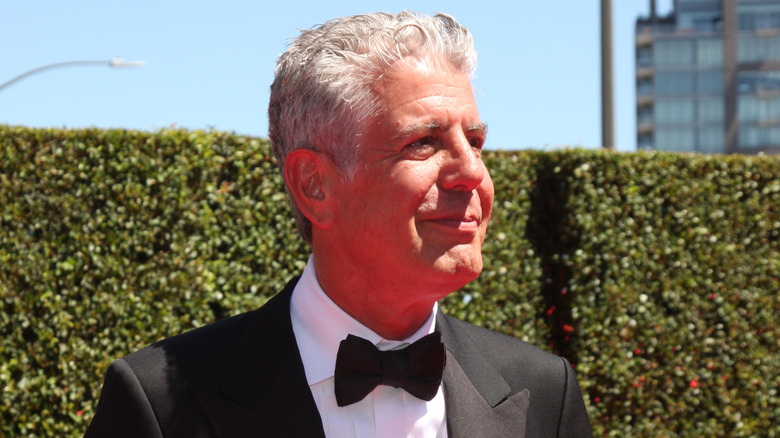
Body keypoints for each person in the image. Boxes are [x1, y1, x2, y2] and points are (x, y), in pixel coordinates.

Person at [85, 11, 592, 437]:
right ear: (314, 185)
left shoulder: (545, 394)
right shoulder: (158, 405)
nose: (473, 174)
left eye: (475, 142)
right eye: (423, 142)